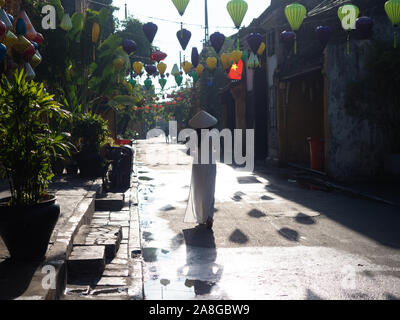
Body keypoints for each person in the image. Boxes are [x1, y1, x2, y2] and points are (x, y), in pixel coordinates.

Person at [184, 110, 218, 229]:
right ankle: (209, 216)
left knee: (199, 191)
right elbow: (218, 150)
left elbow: (188, 152)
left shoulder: (193, 135)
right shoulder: (214, 134)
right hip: (210, 163)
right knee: (210, 189)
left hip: (198, 165)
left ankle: (200, 217)